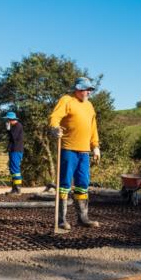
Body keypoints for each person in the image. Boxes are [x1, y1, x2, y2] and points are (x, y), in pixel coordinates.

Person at [48, 77, 101, 229]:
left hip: (84, 151)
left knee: (83, 183)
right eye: (85, 89)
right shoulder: (67, 100)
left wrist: (95, 146)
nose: (88, 92)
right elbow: (55, 117)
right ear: (77, 89)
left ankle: (83, 217)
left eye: (90, 89)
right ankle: (61, 219)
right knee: (65, 183)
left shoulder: (89, 106)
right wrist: (55, 128)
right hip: (68, 149)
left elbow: (93, 127)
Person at [3, 112, 24, 194]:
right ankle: (14, 189)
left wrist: (8, 129)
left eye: (8, 120)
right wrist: (9, 130)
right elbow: (11, 137)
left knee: (15, 170)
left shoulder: (18, 126)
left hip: (16, 150)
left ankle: (17, 189)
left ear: (11, 119)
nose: (7, 121)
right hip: (13, 150)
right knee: (12, 170)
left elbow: (13, 137)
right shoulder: (14, 127)